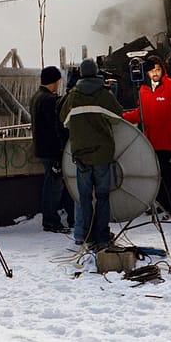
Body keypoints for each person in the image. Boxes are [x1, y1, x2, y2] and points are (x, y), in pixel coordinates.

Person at [59, 58, 123, 249]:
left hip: (81, 156)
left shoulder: (73, 96)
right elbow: (118, 117)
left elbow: (64, 120)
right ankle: (103, 236)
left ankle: (87, 236)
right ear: (96, 73)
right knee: (102, 196)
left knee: (84, 198)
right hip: (102, 155)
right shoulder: (104, 94)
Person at [123, 53, 171, 216]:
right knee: (155, 178)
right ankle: (158, 207)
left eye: (158, 69)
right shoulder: (143, 91)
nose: (155, 73)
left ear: (163, 70)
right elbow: (141, 113)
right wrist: (121, 117)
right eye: (151, 70)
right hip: (150, 144)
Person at [31, 65, 73, 233]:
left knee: (53, 183)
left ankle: (53, 219)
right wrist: (60, 150)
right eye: (57, 81)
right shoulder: (49, 100)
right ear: (54, 81)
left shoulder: (37, 96)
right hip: (52, 150)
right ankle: (51, 221)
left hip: (43, 148)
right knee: (54, 186)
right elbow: (55, 127)